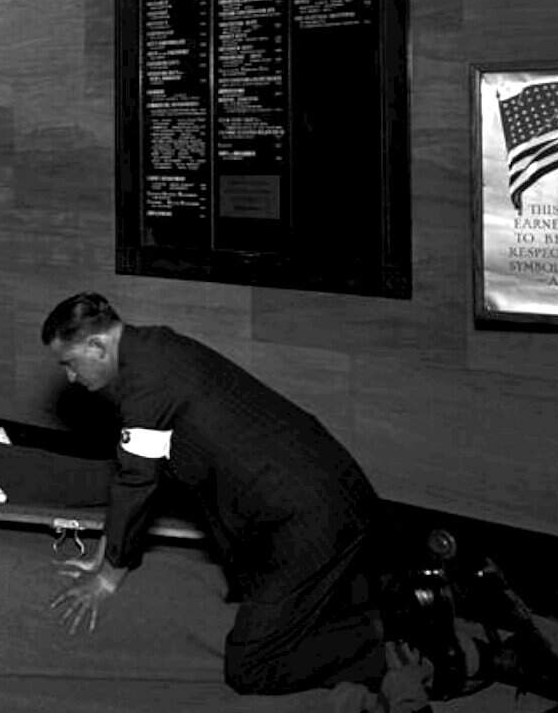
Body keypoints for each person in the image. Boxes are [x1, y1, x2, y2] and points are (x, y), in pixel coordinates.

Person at [40, 291, 396, 697]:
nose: (70, 376)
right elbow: (133, 480)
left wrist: (107, 579)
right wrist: (107, 551)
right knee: (281, 608)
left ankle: (392, 643)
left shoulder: (146, 384)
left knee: (252, 667)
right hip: (318, 493)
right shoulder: (154, 348)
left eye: (69, 363)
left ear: (97, 346)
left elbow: (139, 482)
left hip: (310, 514)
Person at [0, 537, 434, 713]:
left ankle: (383, 622)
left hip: (119, 601)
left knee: (216, 629)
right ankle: (385, 635)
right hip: (95, 622)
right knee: (218, 664)